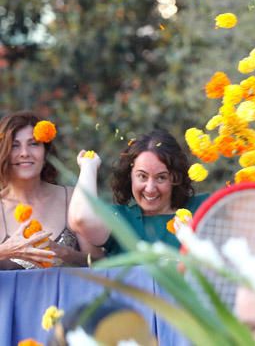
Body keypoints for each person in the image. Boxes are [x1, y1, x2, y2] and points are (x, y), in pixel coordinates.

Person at [69, 129, 208, 256]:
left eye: (161, 177)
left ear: (175, 177)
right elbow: (80, 218)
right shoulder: (120, 218)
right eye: (142, 176)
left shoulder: (203, 208)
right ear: (130, 176)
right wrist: (88, 166)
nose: (150, 188)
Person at [0, 111, 100, 269]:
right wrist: (6, 250)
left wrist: (64, 253)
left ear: (45, 152)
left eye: (33, 144)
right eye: (14, 146)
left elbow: (103, 266)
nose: (24, 153)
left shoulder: (73, 198)